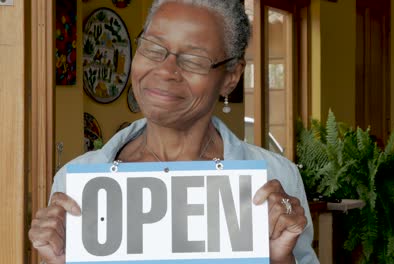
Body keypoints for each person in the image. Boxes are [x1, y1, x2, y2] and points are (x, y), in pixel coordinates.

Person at [28, 1, 320, 263]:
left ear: (231, 77)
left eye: (194, 59)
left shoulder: (275, 178)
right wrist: (60, 261)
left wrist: (280, 260)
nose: (166, 70)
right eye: (153, 49)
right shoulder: (77, 179)